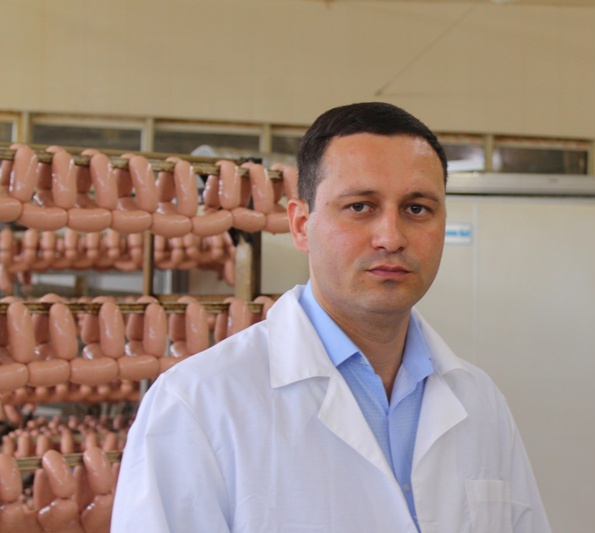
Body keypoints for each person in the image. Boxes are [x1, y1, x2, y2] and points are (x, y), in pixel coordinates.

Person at [111, 102, 551, 532]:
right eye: (360, 206)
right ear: (301, 225)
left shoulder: (480, 402)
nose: (391, 237)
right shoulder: (198, 404)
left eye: (417, 209)